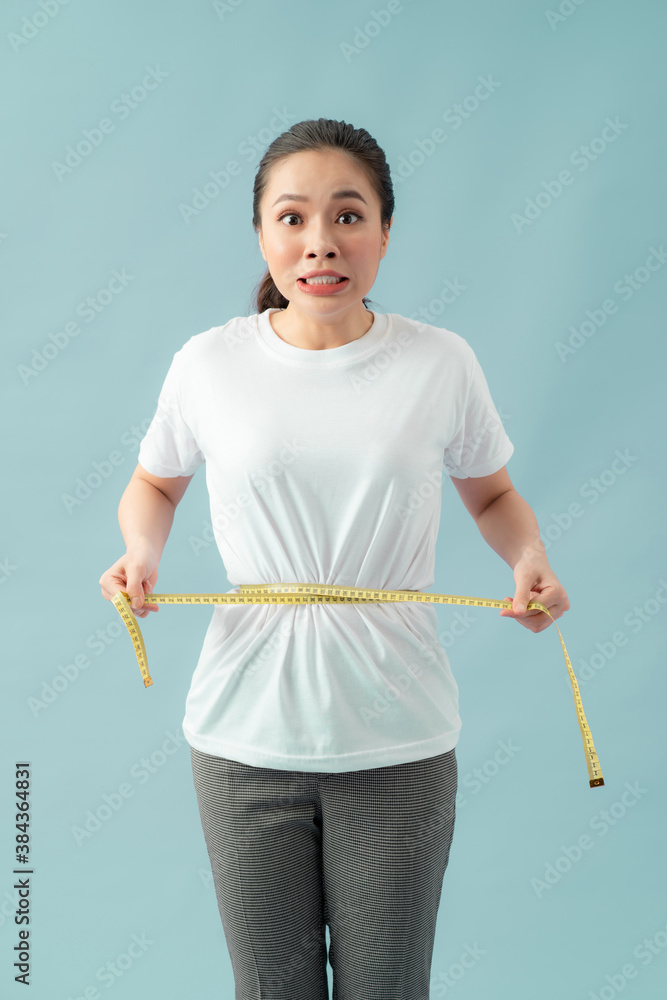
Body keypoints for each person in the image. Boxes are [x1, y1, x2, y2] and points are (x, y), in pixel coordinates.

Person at [99, 118, 569, 1000]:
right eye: (292, 218)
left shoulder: (438, 362)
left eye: (349, 216)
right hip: (242, 738)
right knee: (271, 990)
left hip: (398, 740)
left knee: (387, 987)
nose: (321, 242)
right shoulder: (208, 363)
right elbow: (153, 487)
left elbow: (495, 496)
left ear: (385, 231)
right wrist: (140, 552)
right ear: (261, 234)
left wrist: (529, 555)